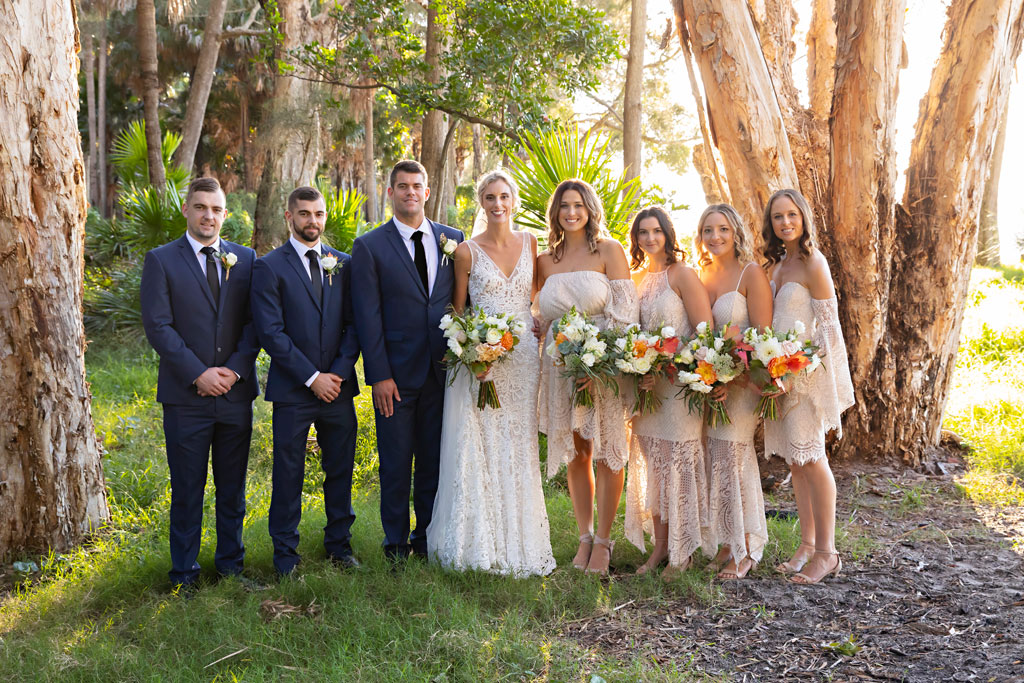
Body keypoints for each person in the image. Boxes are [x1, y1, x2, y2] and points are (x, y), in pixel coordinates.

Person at [426, 170, 556, 576]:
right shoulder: (466, 251)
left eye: (504, 197)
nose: (497, 204)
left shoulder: (532, 243)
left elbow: (534, 296)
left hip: (521, 361)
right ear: (481, 203)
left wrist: (534, 319)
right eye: (489, 197)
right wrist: (474, 355)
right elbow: (458, 312)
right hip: (482, 361)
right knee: (480, 444)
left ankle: (522, 539)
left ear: (514, 201)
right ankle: (478, 543)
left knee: (518, 445)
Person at [140, 176, 259, 589]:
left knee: (233, 490)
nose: (209, 215)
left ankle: (231, 567)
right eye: (201, 207)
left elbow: (254, 323)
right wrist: (198, 373)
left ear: (225, 214)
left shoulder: (245, 259)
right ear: (187, 210)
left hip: (235, 393)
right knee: (188, 489)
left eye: (216, 209)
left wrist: (236, 371)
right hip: (185, 397)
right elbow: (159, 327)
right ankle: (184, 575)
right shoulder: (161, 260)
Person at [351, 160, 464, 562]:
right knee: (396, 465)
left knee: (434, 463)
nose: (410, 192)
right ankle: (395, 546)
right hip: (395, 378)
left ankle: (427, 541)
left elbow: (460, 302)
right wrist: (379, 374)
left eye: (417, 185)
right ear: (390, 193)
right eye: (402, 186)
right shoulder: (369, 246)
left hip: (443, 372)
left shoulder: (453, 239)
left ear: (428, 192)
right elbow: (367, 316)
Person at [251, 185, 361, 576]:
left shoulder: (343, 263)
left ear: (325, 216)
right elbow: (271, 332)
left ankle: (340, 547)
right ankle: (285, 556)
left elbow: (354, 325)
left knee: (341, 469)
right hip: (293, 390)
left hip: (339, 388)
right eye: (304, 214)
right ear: (289, 217)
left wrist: (338, 374)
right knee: (288, 472)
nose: (311, 221)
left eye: (318, 214)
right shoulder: (269, 266)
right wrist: (312, 377)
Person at [536, 178, 638, 576]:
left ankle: (605, 542)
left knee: (610, 451)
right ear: (556, 213)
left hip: (603, 365)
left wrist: (595, 363)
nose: (571, 212)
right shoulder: (546, 261)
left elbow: (626, 313)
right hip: (561, 367)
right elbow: (540, 315)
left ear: (590, 208)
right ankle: (584, 536)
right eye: (564, 206)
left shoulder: (609, 251)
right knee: (579, 452)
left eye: (578, 205)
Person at [760, 188, 854, 585]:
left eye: (791, 215)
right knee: (796, 463)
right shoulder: (778, 265)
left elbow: (828, 332)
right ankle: (806, 543)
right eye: (778, 217)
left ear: (803, 217)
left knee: (813, 460)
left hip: (805, 379)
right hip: (779, 379)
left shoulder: (815, 263)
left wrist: (798, 369)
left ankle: (826, 552)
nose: (785, 223)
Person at [623, 207, 715, 580]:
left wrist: (671, 363)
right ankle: (660, 547)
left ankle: (684, 551)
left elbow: (704, 333)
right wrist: (640, 368)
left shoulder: (683, 275)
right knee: (655, 470)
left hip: (679, 390)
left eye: (656, 231)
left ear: (668, 234)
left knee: (679, 466)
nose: (649, 239)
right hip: (647, 390)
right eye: (642, 232)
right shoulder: (635, 278)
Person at [696, 203, 773, 580]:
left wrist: (734, 377)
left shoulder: (750, 273)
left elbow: (761, 336)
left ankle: (747, 546)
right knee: (715, 457)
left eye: (722, 229)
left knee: (734, 455)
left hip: (743, 383)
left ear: (735, 230)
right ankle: (727, 541)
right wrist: (709, 377)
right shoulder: (703, 274)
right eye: (708, 230)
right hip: (711, 384)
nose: (715, 237)